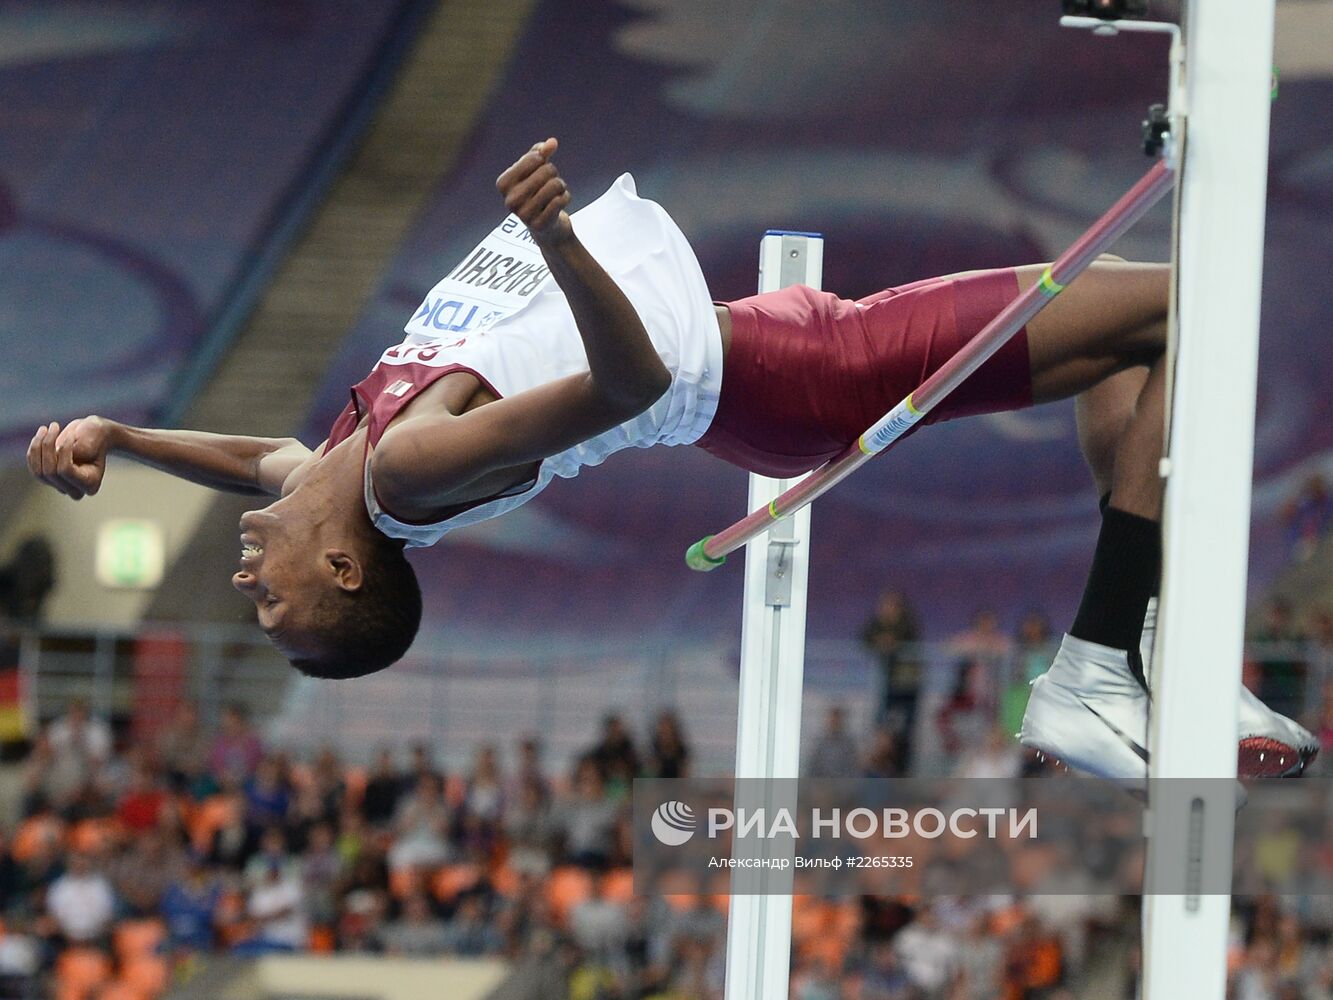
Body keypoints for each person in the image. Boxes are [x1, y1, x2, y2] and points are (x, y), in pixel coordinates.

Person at [27, 138, 1313, 778]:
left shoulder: (346, 471)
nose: (252, 595)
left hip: (782, 350)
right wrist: (560, 242)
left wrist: (123, 437)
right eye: (286, 612)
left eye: (257, 610)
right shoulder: (409, 469)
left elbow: (263, 458)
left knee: (1136, 351)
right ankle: (1099, 663)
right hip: (812, 375)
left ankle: (1146, 656)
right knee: (1188, 304)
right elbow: (629, 380)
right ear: (348, 570)